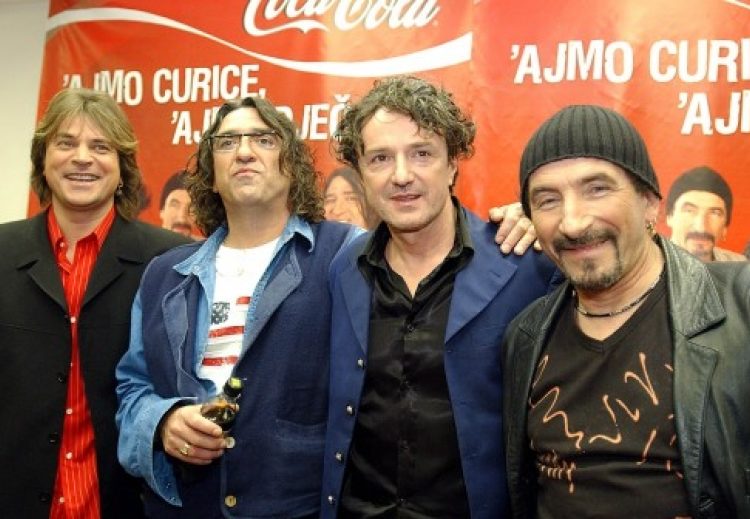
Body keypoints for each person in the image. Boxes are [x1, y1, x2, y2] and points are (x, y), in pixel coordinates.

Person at [320, 76, 560, 518]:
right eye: (380, 158)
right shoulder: (343, 270)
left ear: (452, 165)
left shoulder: (524, 263)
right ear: (361, 173)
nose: (401, 175)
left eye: (422, 153)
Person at [115, 96, 360, 518]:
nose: (244, 152)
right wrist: (162, 422)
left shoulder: (343, 252)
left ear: (291, 164)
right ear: (211, 175)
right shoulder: (163, 276)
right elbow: (131, 389)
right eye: (227, 143)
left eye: (263, 139)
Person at [503, 105, 750, 518]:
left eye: (597, 189)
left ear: (650, 203)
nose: (573, 222)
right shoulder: (525, 337)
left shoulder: (741, 306)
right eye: (547, 200)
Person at [0, 88, 189, 519]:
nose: (82, 158)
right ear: (43, 161)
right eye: (66, 143)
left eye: (101, 147)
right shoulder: (2, 254)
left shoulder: (170, 262)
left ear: (123, 169)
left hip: (127, 505)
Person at [665, 165, 745, 262]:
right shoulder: (650, 264)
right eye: (689, 211)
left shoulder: (739, 264)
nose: (701, 228)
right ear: (670, 217)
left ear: (725, 228)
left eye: (715, 213)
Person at [159, 169, 199, 238]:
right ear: (162, 211)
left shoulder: (209, 244)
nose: (182, 219)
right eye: (174, 205)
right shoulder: (143, 243)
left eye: (191, 208)